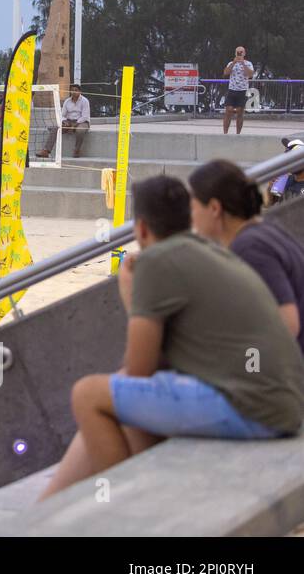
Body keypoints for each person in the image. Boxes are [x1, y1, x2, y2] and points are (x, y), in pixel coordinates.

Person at [40, 175, 304, 500]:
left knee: (86, 395)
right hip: (283, 401)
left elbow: (139, 370)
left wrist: (129, 293)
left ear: (141, 229)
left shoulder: (156, 261)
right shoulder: (212, 252)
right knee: (130, 413)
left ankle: (119, 509)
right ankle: (118, 502)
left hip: (256, 408)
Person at [189, 158, 304, 353]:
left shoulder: (251, 248)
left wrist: (250, 366)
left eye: (193, 207)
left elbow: (287, 323)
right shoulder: (262, 232)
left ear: (215, 208)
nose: (191, 216)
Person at [37, 84, 90, 159]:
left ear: (80, 91)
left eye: (76, 90)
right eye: (72, 90)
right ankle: (46, 151)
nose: (74, 92)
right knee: (56, 129)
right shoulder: (67, 101)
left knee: (80, 131)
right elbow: (62, 115)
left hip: (82, 122)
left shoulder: (85, 101)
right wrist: (64, 121)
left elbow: (85, 116)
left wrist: (75, 124)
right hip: (69, 121)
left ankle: (77, 150)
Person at [222, 46, 256, 135]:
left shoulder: (248, 63)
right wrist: (234, 62)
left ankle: (238, 134)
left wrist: (243, 63)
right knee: (228, 110)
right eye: (238, 52)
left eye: (241, 52)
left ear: (244, 53)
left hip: (243, 90)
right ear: (235, 53)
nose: (239, 54)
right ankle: (225, 133)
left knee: (240, 111)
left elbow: (250, 74)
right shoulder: (231, 63)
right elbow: (226, 73)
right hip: (232, 89)